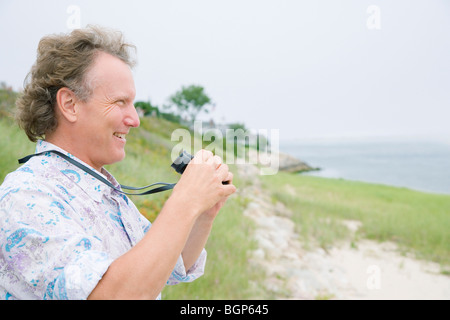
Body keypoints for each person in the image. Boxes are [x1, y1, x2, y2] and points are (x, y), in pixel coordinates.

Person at [0, 26, 236, 300]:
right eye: (120, 102)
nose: (134, 120)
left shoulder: (103, 190)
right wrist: (185, 202)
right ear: (70, 104)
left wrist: (204, 211)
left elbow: (167, 264)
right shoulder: (25, 196)